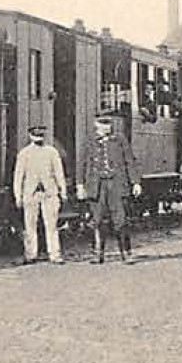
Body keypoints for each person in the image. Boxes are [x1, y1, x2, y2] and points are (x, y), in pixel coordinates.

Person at [77, 110, 142, 264]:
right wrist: (80, 185)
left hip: (117, 185)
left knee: (120, 219)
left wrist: (136, 182)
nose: (105, 127)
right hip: (96, 186)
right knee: (97, 220)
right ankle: (98, 253)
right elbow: (82, 164)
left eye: (108, 123)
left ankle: (126, 253)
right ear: (96, 124)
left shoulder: (119, 139)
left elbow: (129, 161)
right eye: (102, 123)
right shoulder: (90, 141)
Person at [13, 125, 68, 264]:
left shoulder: (52, 152)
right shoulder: (24, 153)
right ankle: (31, 254)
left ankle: (54, 254)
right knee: (30, 225)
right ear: (30, 136)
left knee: (52, 225)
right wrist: (17, 195)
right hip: (31, 193)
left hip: (49, 192)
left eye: (41, 136)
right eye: (35, 135)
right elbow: (18, 176)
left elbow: (59, 173)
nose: (38, 138)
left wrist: (63, 190)